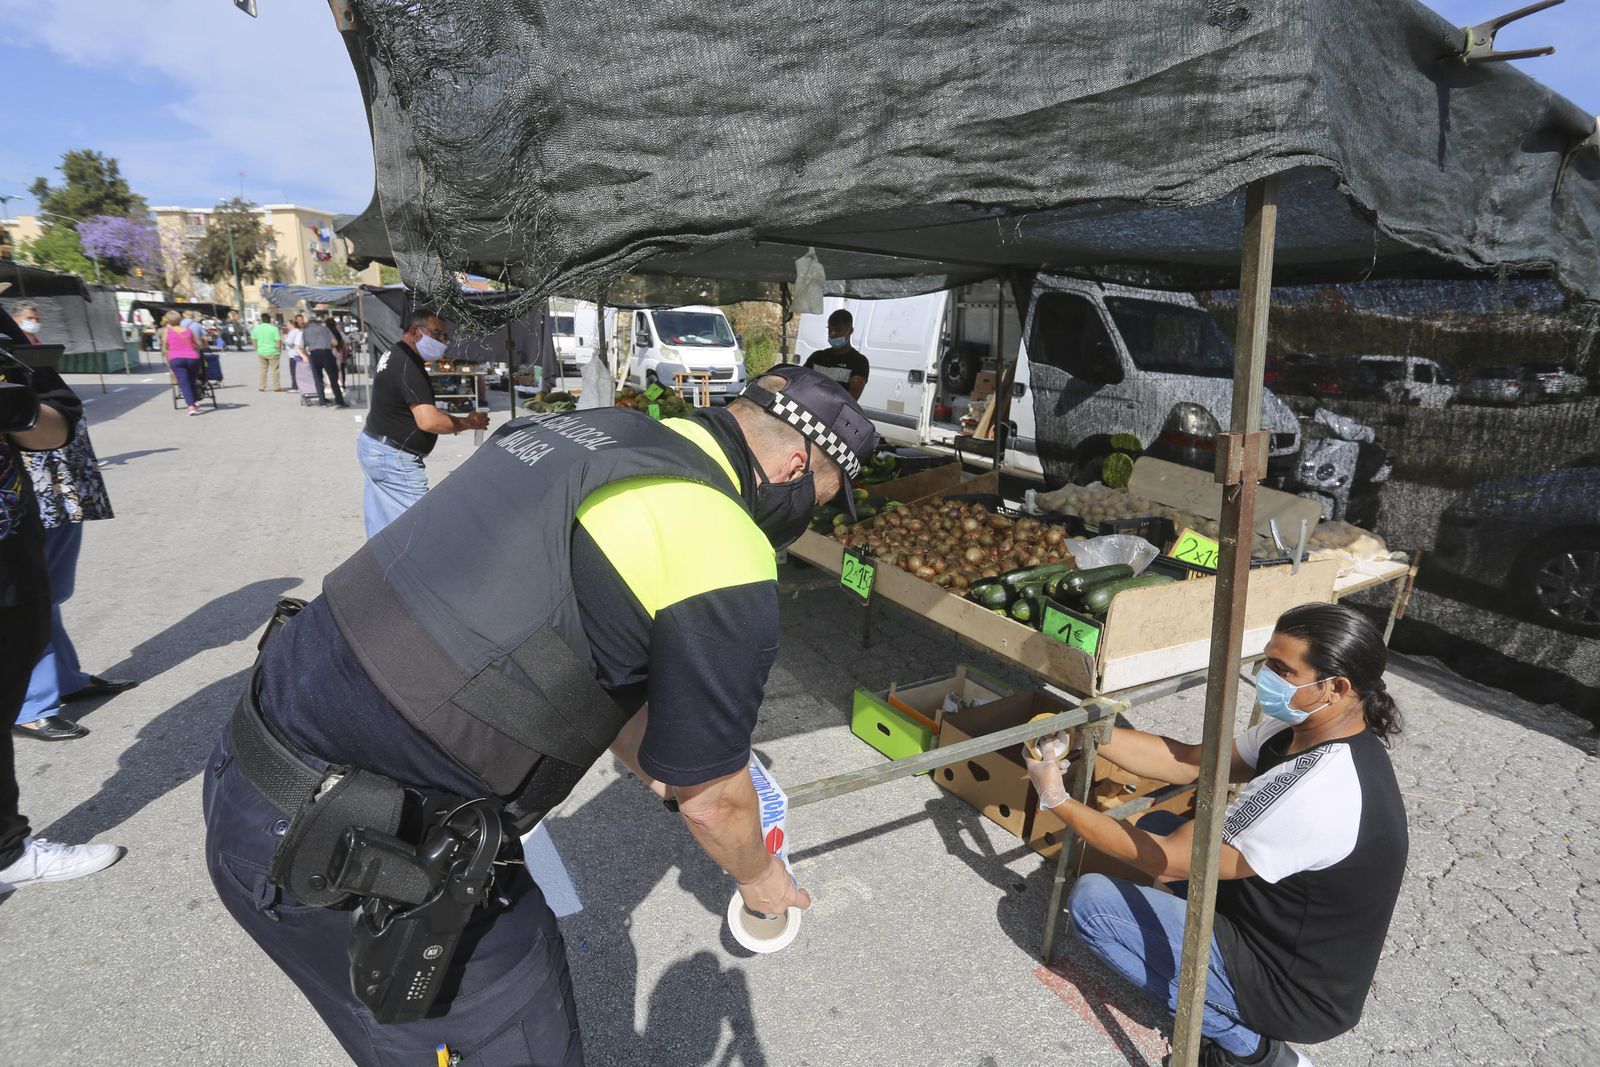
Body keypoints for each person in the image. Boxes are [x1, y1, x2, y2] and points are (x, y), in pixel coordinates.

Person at [202, 364, 876, 1065]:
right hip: (359, 860)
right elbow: (717, 808)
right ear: (797, 465)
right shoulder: (722, 542)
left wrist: (668, 770)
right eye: (825, 498)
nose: (815, 516)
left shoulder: (583, 434)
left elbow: (562, 658)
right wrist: (759, 877)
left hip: (249, 772)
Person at [1024, 603, 1408, 1067]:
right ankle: (1209, 976)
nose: (1267, 676)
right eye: (1268, 660)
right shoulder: (1302, 724)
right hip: (1269, 921)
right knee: (1158, 824)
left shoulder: (1322, 787)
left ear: (1336, 687)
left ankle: (1255, 1050)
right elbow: (1190, 762)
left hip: (1293, 987)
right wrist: (1087, 736)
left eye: (1282, 669)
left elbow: (1166, 860)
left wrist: (1056, 799)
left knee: (1095, 906)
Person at [0, 315, 127, 891]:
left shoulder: (4, 336)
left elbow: (55, 422)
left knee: (37, 620)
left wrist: (14, 407)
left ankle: (5, 850)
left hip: (11, 552)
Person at [12, 307, 136, 742]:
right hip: (25, 483)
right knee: (26, 595)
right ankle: (30, 703)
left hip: (56, 470)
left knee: (51, 588)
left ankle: (64, 677)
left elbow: (48, 391)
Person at [356, 307, 488, 537]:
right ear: (416, 333)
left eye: (445, 336)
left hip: (376, 446)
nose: (443, 342)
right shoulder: (408, 365)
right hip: (393, 457)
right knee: (419, 528)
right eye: (437, 334)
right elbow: (428, 421)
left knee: (384, 528)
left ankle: (380, 568)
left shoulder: (395, 353)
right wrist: (468, 423)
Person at [804, 307, 870, 400]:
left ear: (850, 331)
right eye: (830, 330)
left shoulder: (859, 362)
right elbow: (801, 383)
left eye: (838, 330)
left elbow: (851, 400)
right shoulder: (816, 357)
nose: (832, 334)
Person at [160, 310, 206, 415]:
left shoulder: (167, 332)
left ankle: (191, 406)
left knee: (184, 382)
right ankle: (194, 402)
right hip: (192, 358)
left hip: (176, 359)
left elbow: (164, 348)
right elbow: (199, 344)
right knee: (192, 381)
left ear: (168, 321)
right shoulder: (188, 330)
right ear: (180, 319)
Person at [300, 315, 347, 407]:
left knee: (318, 378)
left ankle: (322, 400)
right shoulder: (325, 329)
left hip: (314, 354)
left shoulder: (305, 331)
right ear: (317, 322)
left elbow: (302, 347)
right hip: (326, 353)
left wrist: (308, 357)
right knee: (333, 378)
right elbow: (335, 342)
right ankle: (339, 400)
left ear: (309, 322)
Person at [251, 315, 283, 392]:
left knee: (263, 369)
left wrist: (257, 349)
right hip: (273, 351)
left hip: (261, 351)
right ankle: (276, 387)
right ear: (269, 320)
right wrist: (279, 350)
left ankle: (262, 386)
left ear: (262, 320)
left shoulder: (256, 328)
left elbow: (254, 341)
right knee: (275, 370)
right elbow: (278, 341)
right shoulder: (274, 329)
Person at [283, 314, 307, 394]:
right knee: (299, 370)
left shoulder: (293, 332)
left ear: (291, 324)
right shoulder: (298, 331)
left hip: (294, 354)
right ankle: (299, 385)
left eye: (288, 325)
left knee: (294, 371)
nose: (287, 326)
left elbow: (290, 342)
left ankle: (295, 386)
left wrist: (285, 338)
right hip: (298, 353)